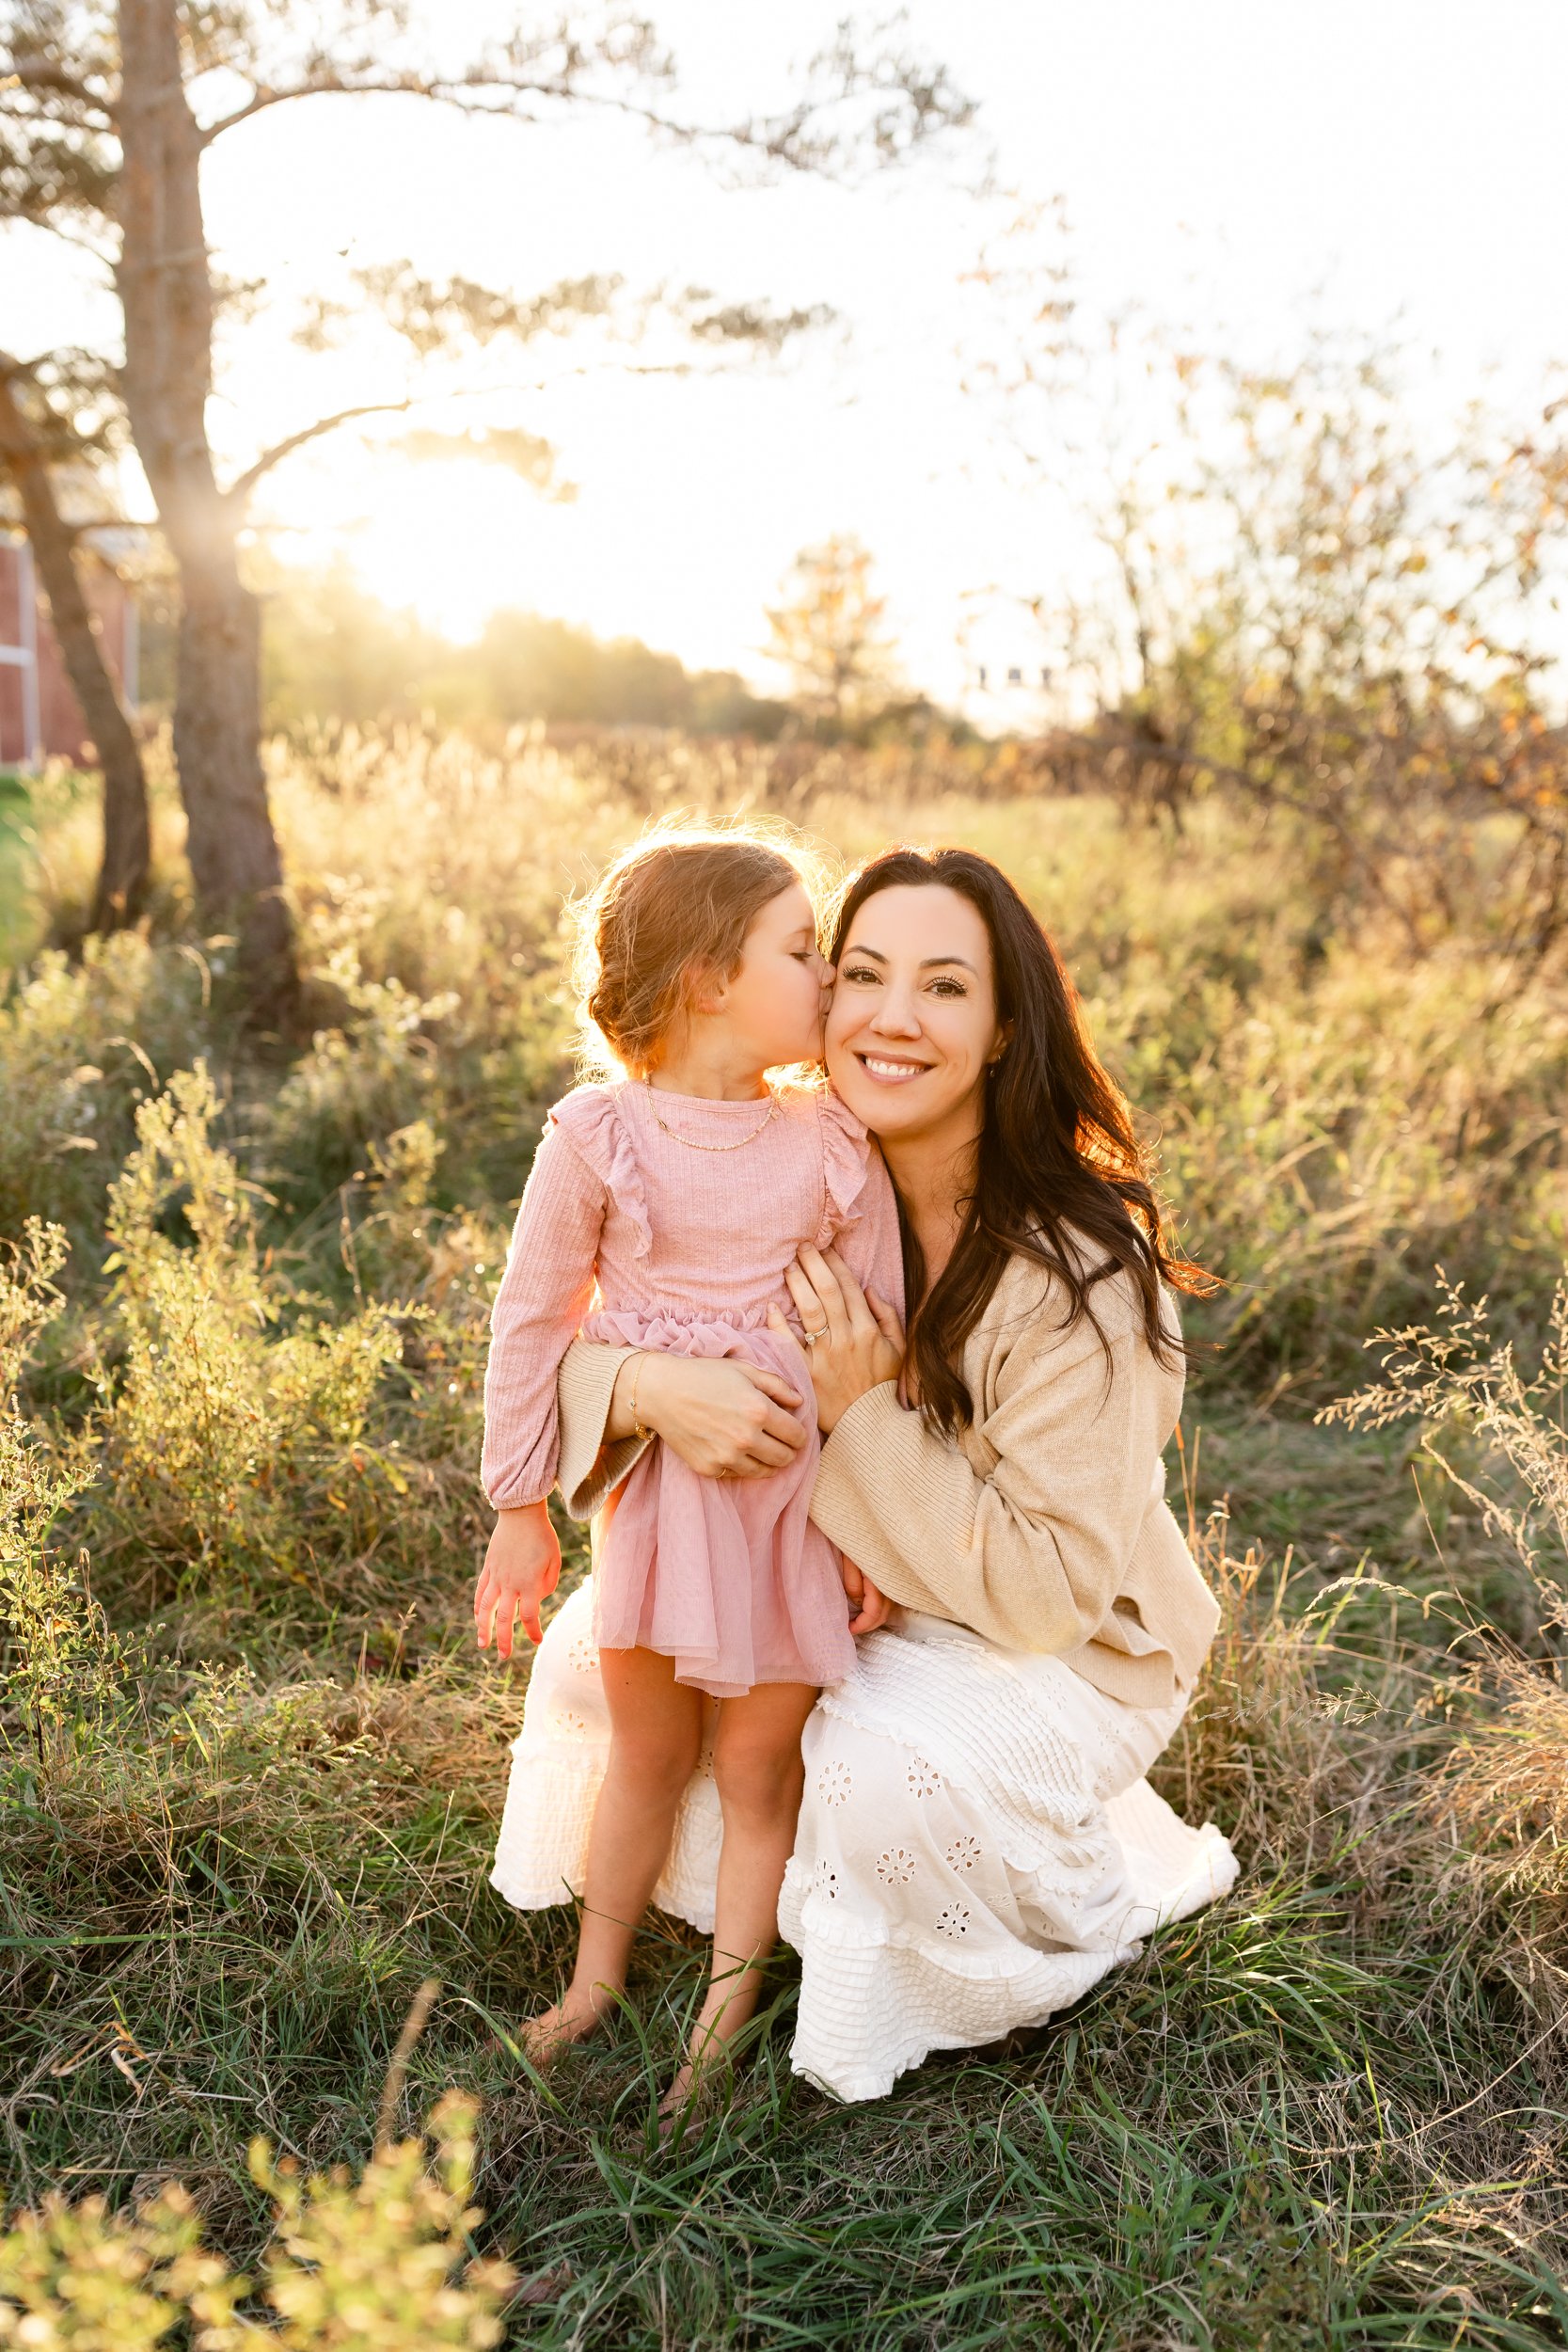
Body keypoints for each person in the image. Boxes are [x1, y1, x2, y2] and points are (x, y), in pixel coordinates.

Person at [529, 843, 1240, 2103]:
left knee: (861, 1763)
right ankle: (759, 1914)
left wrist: (863, 1418)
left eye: (946, 987)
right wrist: (646, 1390)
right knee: (598, 1656)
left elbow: (1042, 1595)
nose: (891, 1017)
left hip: (1055, 1644)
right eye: (858, 972)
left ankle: (1069, 1903)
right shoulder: (800, 1165)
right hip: (866, 1586)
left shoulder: (1079, 1271)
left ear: (1007, 1028)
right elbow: (594, 1324)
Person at [475, 825, 903, 2106]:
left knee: (759, 1770)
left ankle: (721, 2023)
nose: (828, 976)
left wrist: (875, 1530)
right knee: (647, 1757)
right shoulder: (599, 1136)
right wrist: (517, 1510)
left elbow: (882, 1346)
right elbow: (530, 1319)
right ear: (710, 978)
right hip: (662, 1509)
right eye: (801, 948)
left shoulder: (833, 1142)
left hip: (793, 1513)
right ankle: (593, 1985)